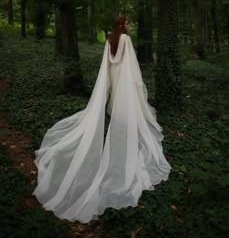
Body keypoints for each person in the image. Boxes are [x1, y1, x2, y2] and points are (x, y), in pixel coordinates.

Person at [32, 16, 172, 224]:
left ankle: (119, 117)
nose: (128, 25)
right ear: (122, 25)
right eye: (126, 23)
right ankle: (125, 122)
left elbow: (107, 64)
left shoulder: (109, 40)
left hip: (115, 76)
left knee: (117, 101)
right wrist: (138, 84)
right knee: (126, 104)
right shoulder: (126, 40)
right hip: (124, 77)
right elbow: (132, 66)